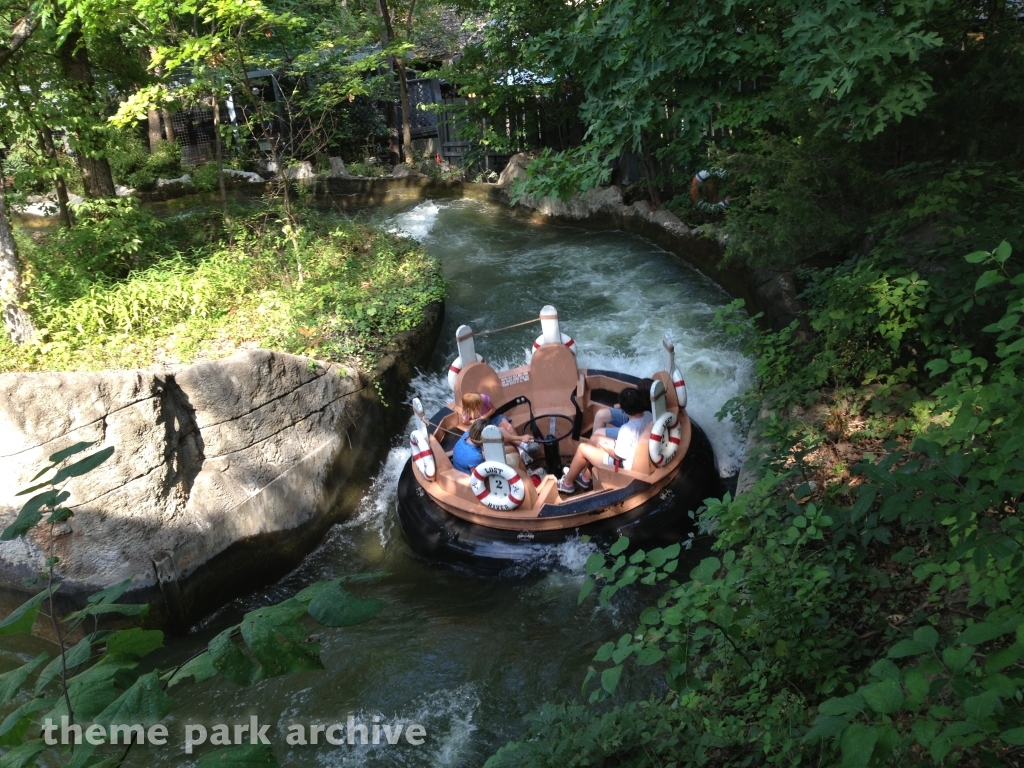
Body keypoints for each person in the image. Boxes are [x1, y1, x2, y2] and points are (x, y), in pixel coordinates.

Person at [558, 388, 653, 494]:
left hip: (622, 466)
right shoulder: (648, 415)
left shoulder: (626, 429)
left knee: (582, 448)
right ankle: (585, 477)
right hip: (634, 452)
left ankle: (567, 484)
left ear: (623, 409)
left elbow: (619, 456)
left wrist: (605, 446)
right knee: (595, 438)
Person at [452, 418, 525, 474]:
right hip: (472, 474)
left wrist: (519, 438)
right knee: (516, 456)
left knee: (510, 448)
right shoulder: (476, 457)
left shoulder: (468, 433)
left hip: (464, 462)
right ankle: (528, 479)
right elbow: (478, 477)